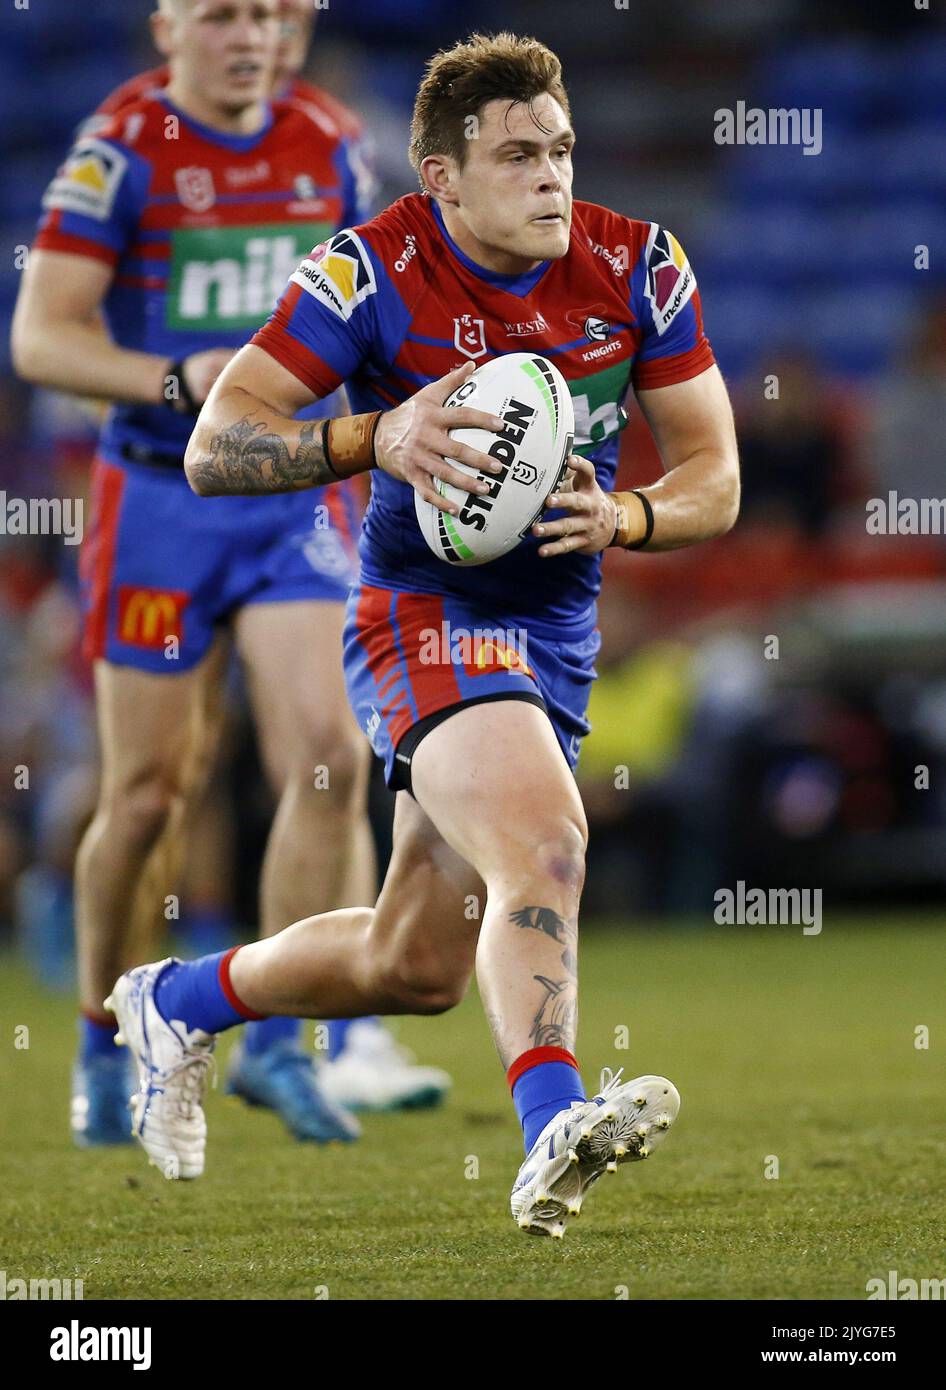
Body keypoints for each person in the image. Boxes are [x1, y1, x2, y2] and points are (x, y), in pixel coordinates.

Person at [105, 31, 740, 1237]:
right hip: (419, 613)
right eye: (515, 156)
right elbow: (213, 444)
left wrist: (629, 512)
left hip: (553, 630)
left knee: (416, 964)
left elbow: (716, 472)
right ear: (441, 179)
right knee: (547, 843)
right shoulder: (370, 272)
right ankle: (554, 1116)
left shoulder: (639, 267)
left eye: (559, 149)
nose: (551, 176)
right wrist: (370, 437)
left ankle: (178, 996)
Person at [11, 0, 448, 1152]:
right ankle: (103, 1032)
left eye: (267, 13)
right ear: (169, 28)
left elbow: (376, 315)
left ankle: (274, 1043)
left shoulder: (330, 144)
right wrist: (176, 374)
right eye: (220, 15)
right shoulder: (119, 152)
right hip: (157, 499)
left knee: (324, 750)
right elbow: (41, 337)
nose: (246, 36)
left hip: (289, 493)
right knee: (151, 790)